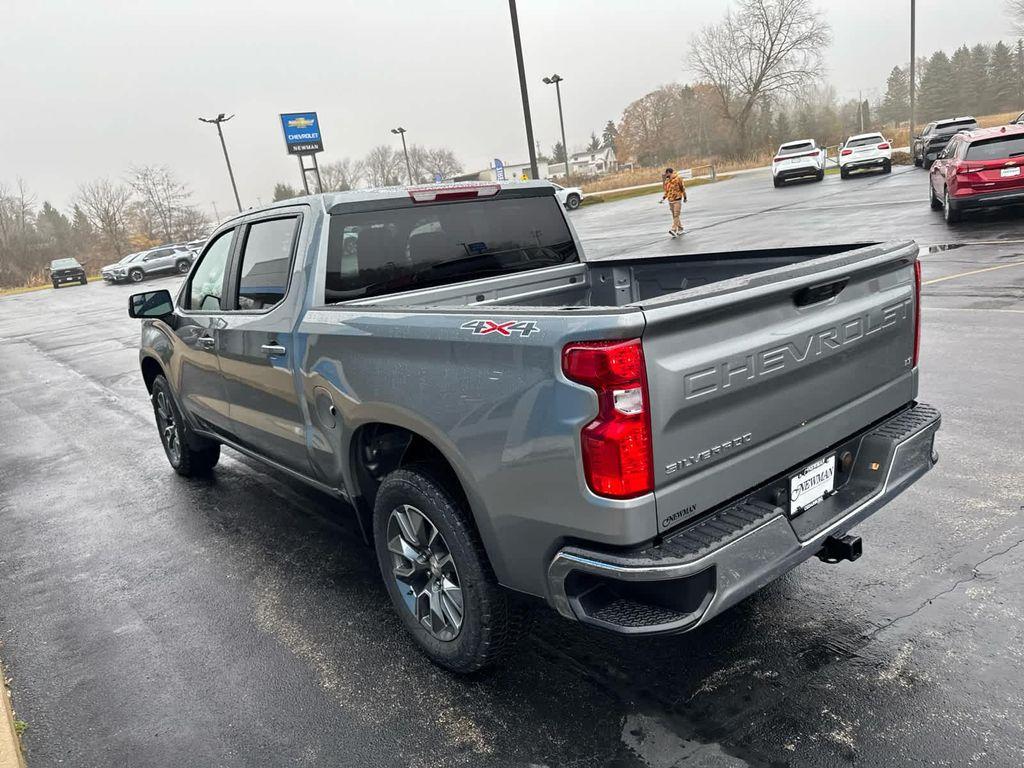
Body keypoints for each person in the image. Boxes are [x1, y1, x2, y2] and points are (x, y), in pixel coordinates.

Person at [660, 167, 688, 237]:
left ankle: (673, 230)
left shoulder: (678, 178)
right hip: (670, 201)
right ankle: (681, 229)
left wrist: (685, 197)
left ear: (669, 172)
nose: (665, 175)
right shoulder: (667, 181)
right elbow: (667, 191)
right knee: (675, 216)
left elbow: (682, 188)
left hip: (677, 199)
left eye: (666, 173)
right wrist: (663, 198)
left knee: (676, 214)